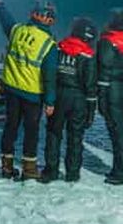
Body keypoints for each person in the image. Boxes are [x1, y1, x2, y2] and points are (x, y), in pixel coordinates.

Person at [0, 0, 58, 180]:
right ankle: (29, 169)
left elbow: (6, 21)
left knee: (10, 127)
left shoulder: (17, 30)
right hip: (32, 95)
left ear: (33, 14)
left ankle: (6, 167)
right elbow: (49, 77)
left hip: (12, 90)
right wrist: (50, 101)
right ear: (48, 19)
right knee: (31, 131)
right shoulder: (48, 44)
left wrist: (0, 6)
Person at [40, 16, 98, 183]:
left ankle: (51, 171)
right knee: (75, 136)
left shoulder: (58, 48)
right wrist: (91, 110)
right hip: (78, 98)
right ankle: (73, 173)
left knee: (53, 133)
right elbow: (90, 84)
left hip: (58, 95)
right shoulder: (88, 55)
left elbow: (49, 73)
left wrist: (47, 97)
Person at [97, 8, 123, 185]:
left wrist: (101, 96)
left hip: (112, 90)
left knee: (117, 133)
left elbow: (104, 68)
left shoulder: (107, 41)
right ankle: (120, 168)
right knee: (122, 132)